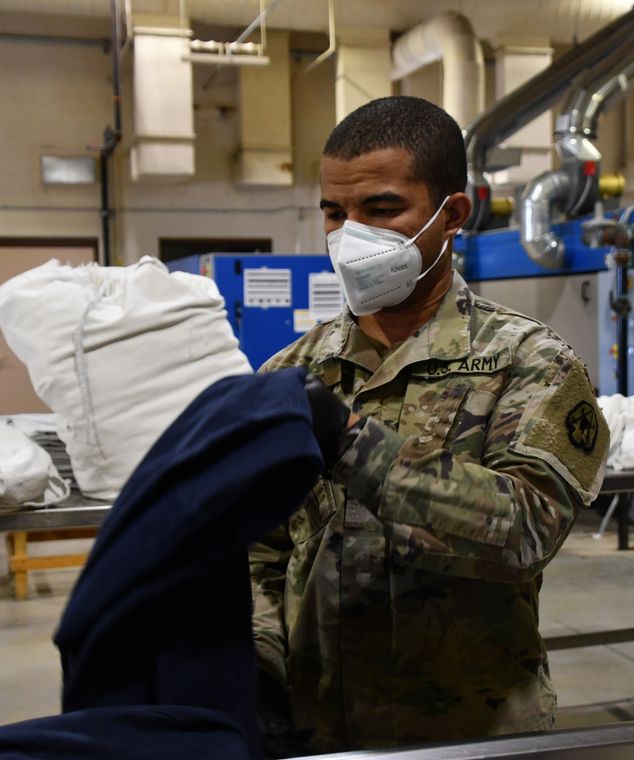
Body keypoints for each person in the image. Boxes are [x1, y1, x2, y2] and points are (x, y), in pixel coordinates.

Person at [251, 95, 610, 753]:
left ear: (452, 216)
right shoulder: (293, 369)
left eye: (382, 209)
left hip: (473, 729)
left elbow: (528, 530)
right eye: (335, 212)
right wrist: (260, 661)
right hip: (323, 727)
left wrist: (357, 446)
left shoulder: (530, 363)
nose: (350, 234)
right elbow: (261, 547)